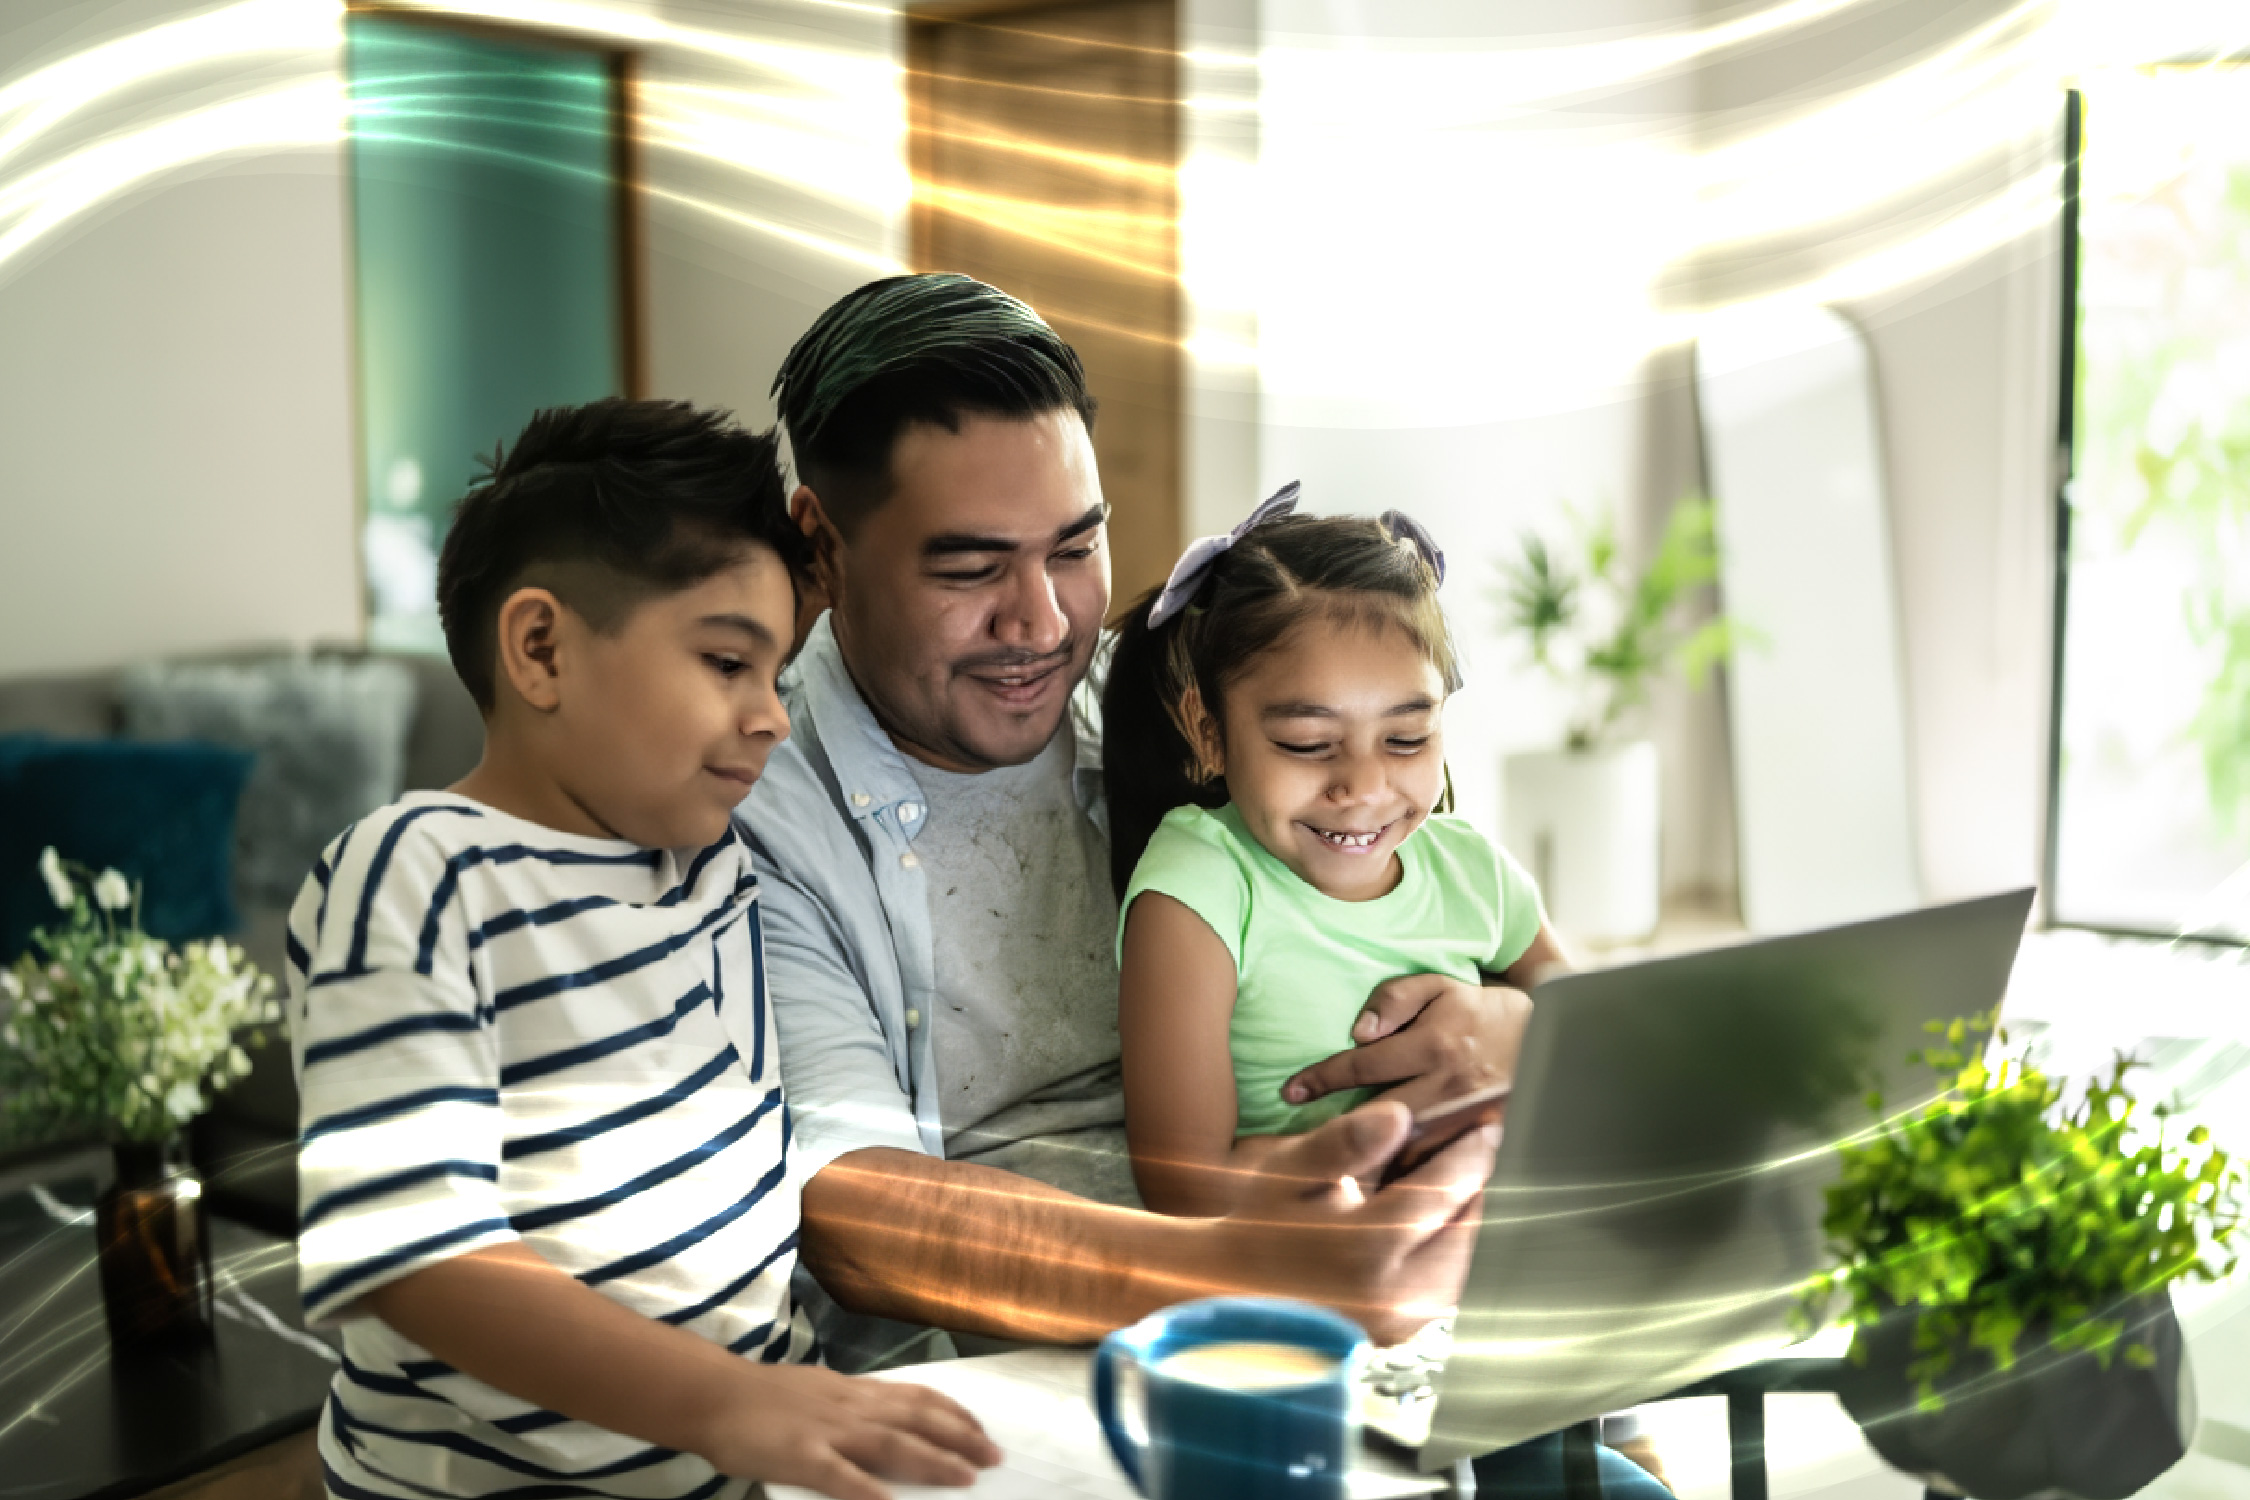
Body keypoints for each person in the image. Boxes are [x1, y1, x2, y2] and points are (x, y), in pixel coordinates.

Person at [739, 272, 1513, 1374]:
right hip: (1039, 1366)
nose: (1043, 623)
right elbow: (862, 1219)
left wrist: (1511, 1028)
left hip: (1359, 1276)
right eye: (970, 568)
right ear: (821, 545)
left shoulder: (1172, 707)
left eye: (1074, 549)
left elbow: (1430, 897)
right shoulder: (760, 817)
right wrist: (1245, 1279)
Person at [284, 399, 1001, 1500]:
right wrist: (731, 1406)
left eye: (778, 675)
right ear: (540, 648)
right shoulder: (420, 874)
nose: (771, 715)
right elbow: (414, 1251)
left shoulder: (708, 868)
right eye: (726, 662)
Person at [1100, 489, 1564, 1214]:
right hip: (1312, 1242)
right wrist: (1374, 1159)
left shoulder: (1471, 867)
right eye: (1309, 746)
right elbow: (1182, 1182)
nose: (1365, 786)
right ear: (1209, 730)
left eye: (1407, 739)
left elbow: (1588, 1026)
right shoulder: (1197, 886)